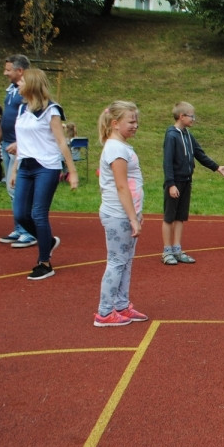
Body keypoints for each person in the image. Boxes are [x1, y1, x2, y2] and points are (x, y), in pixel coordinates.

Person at [10, 68, 79, 280]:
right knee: (21, 214)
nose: (18, 84)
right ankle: (47, 240)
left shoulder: (52, 111)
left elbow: (61, 142)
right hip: (26, 167)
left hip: (46, 167)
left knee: (38, 214)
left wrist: (72, 172)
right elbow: (22, 143)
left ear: (31, 84)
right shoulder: (22, 110)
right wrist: (14, 169)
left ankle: (44, 262)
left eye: (21, 81)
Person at [95, 101, 147, 326]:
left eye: (136, 121)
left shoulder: (121, 146)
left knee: (125, 262)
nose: (135, 125)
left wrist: (136, 213)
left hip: (126, 214)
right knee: (117, 262)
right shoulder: (115, 148)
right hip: (119, 215)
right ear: (115, 124)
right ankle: (105, 312)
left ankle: (121, 305)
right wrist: (132, 217)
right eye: (131, 121)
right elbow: (121, 186)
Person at [161, 101, 224, 265]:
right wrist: (170, 183)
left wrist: (216, 167)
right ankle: (167, 251)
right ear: (181, 116)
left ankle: (177, 249)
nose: (194, 119)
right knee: (169, 217)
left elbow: (199, 154)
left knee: (180, 217)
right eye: (191, 116)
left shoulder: (187, 135)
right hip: (175, 182)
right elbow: (167, 162)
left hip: (186, 181)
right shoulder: (171, 135)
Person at [0, 54, 36, 248]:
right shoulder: (11, 89)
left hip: (21, 147)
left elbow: (32, 121)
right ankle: (20, 228)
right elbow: (7, 118)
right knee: (12, 188)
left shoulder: (29, 91)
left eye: (8, 69)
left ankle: (28, 230)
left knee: (20, 188)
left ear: (20, 71)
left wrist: (22, 143)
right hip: (7, 144)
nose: (5, 73)